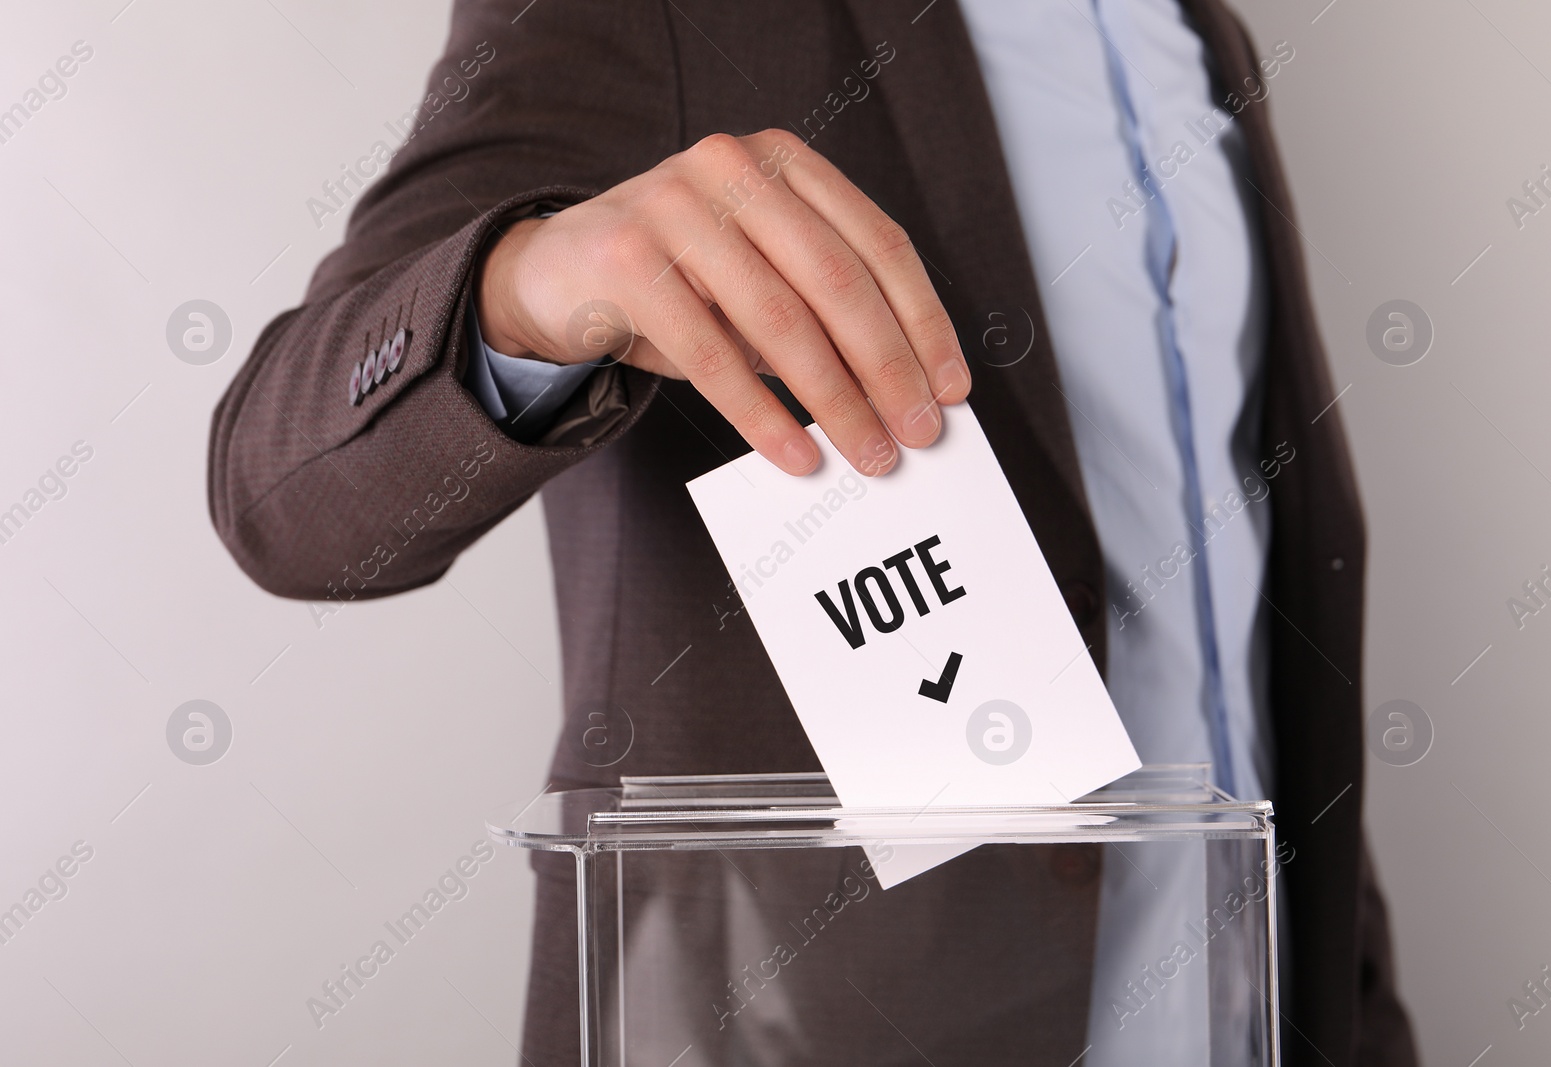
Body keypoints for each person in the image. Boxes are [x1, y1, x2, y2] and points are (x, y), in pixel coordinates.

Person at [209, 0, 1417, 1063]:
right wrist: (527, 290)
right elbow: (279, 493)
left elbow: (1239, 611)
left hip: (1240, 1008)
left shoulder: (1199, 36)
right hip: (815, 1016)